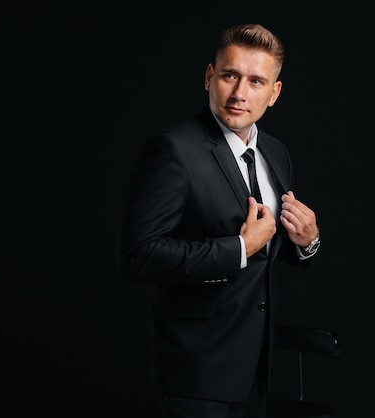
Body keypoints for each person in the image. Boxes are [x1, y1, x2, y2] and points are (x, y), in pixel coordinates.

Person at [117, 23, 321, 418]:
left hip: (257, 370)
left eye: (257, 81)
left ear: (274, 93)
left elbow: (270, 252)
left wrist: (307, 241)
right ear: (210, 76)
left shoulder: (276, 154)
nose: (240, 94)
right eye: (230, 75)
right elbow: (137, 256)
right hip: (197, 372)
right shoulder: (173, 149)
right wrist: (238, 248)